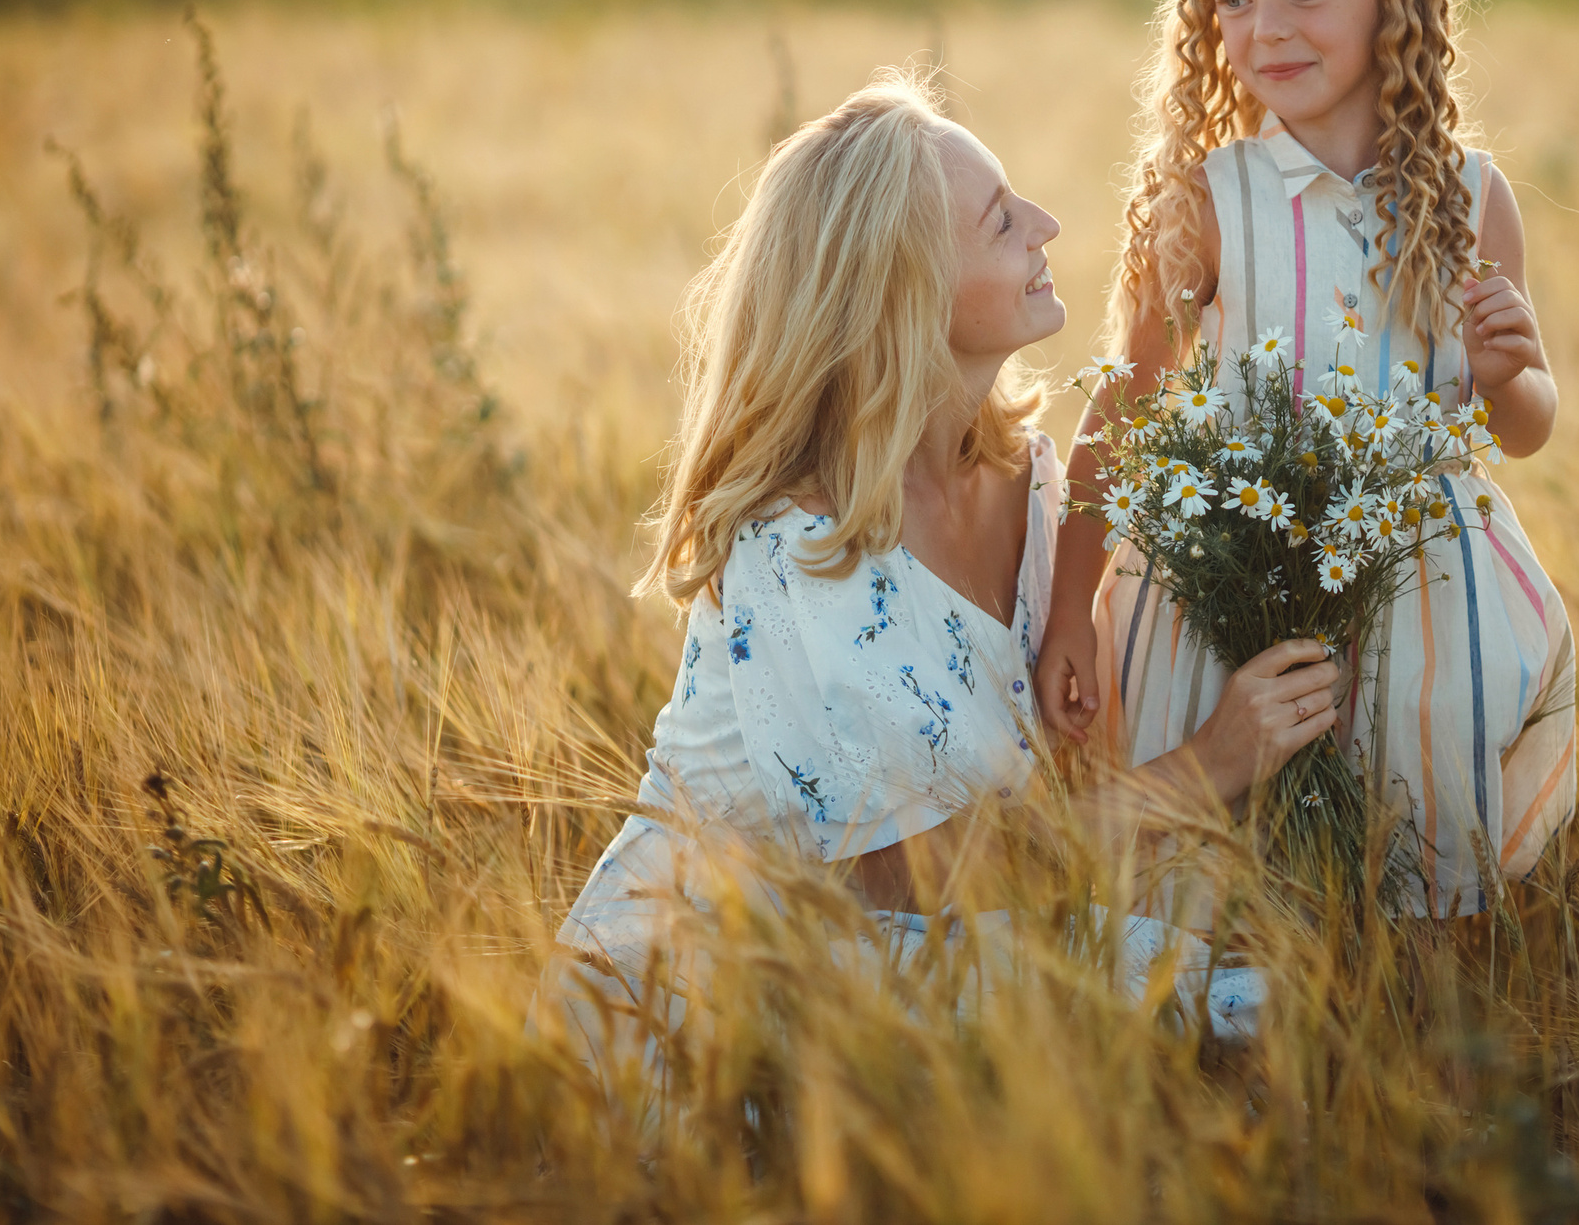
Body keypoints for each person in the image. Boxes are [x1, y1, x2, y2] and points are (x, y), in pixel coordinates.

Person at [539, 75, 1341, 1061]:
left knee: (1285, 1004)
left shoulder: (1032, 481)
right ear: (905, 293)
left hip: (941, 948)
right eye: (1003, 222)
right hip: (726, 987)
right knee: (1234, 1024)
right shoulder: (796, 544)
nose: (1048, 223)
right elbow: (914, 880)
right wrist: (1211, 764)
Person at [1037, 0, 1578, 919]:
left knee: (1415, 871)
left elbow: (1520, 427)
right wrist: (1066, 606)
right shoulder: (1208, 200)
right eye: (1231, 0)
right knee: (1219, 892)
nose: (1262, 29)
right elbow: (1125, 402)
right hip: (1228, 584)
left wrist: (1509, 370)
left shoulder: (1471, 199)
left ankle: (1413, 1043)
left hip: (1420, 593)